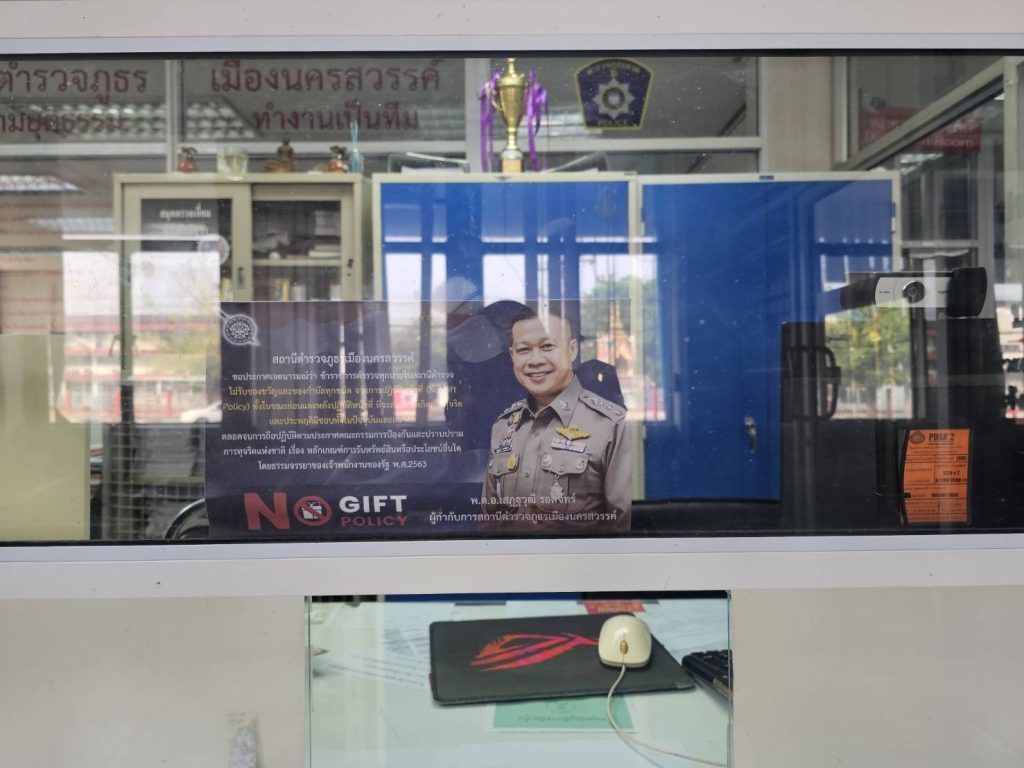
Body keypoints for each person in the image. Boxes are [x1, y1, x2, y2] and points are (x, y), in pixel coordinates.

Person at [480, 308, 631, 533]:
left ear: (572, 350)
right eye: (523, 350)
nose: (535, 360)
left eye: (547, 346)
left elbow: (621, 529)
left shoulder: (611, 425)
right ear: (512, 355)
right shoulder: (503, 426)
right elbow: (488, 523)